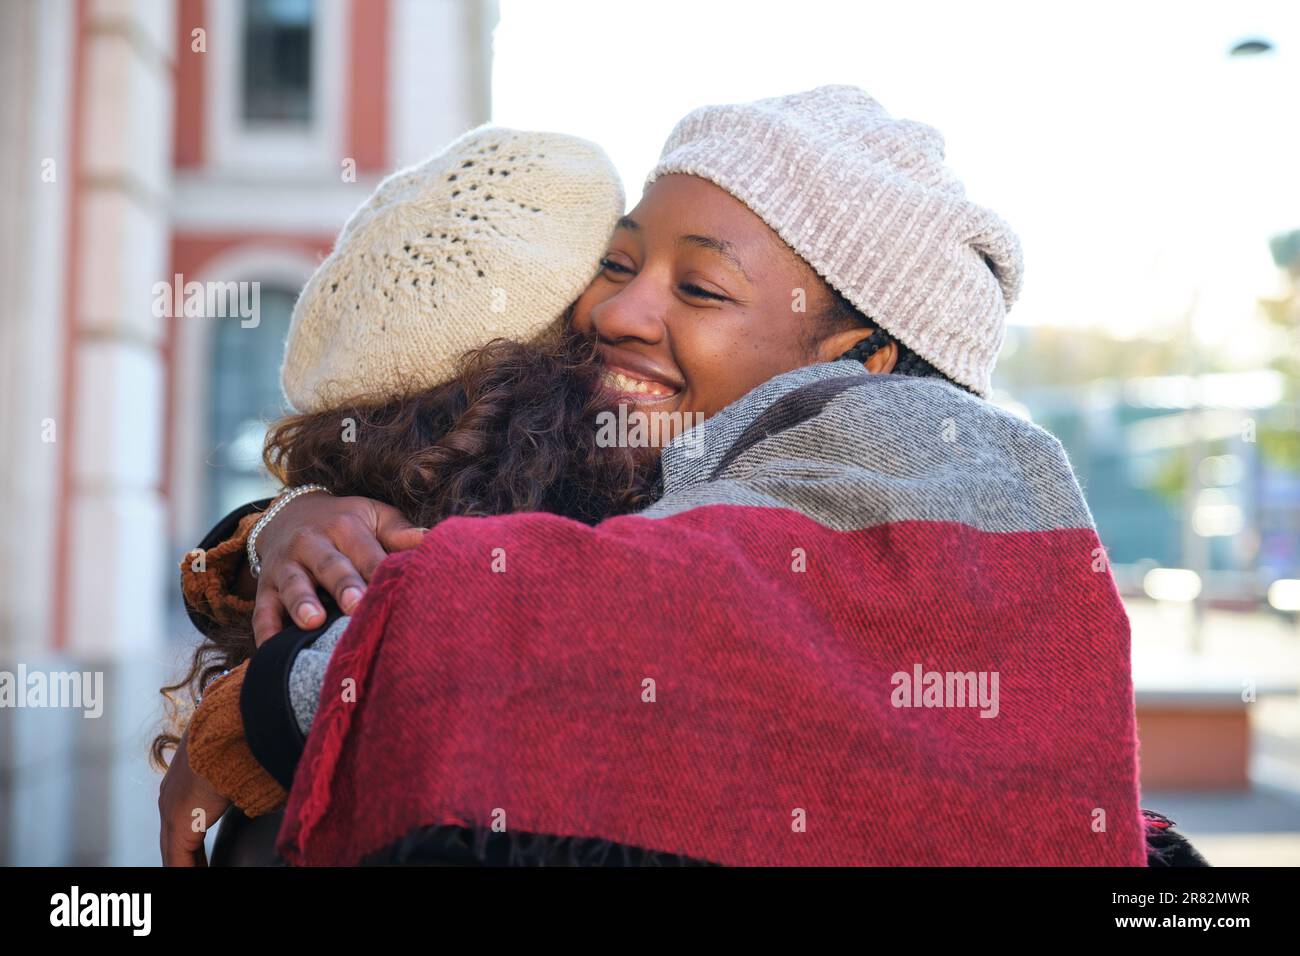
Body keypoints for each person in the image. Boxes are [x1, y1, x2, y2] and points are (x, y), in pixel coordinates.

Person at [173, 87, 1209, 867]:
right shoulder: (654, 466)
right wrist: (278, 528)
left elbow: (607, 606)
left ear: (864, 355)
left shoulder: (901, 461)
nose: (619, 314)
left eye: (702, 285)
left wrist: (267, 703)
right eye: (619, 265)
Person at [155, 125, 649, 864]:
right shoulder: (532, 563)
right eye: (617, 267)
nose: (640, 313)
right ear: (556, 374)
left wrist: (276, 525)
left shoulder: (331, 577)